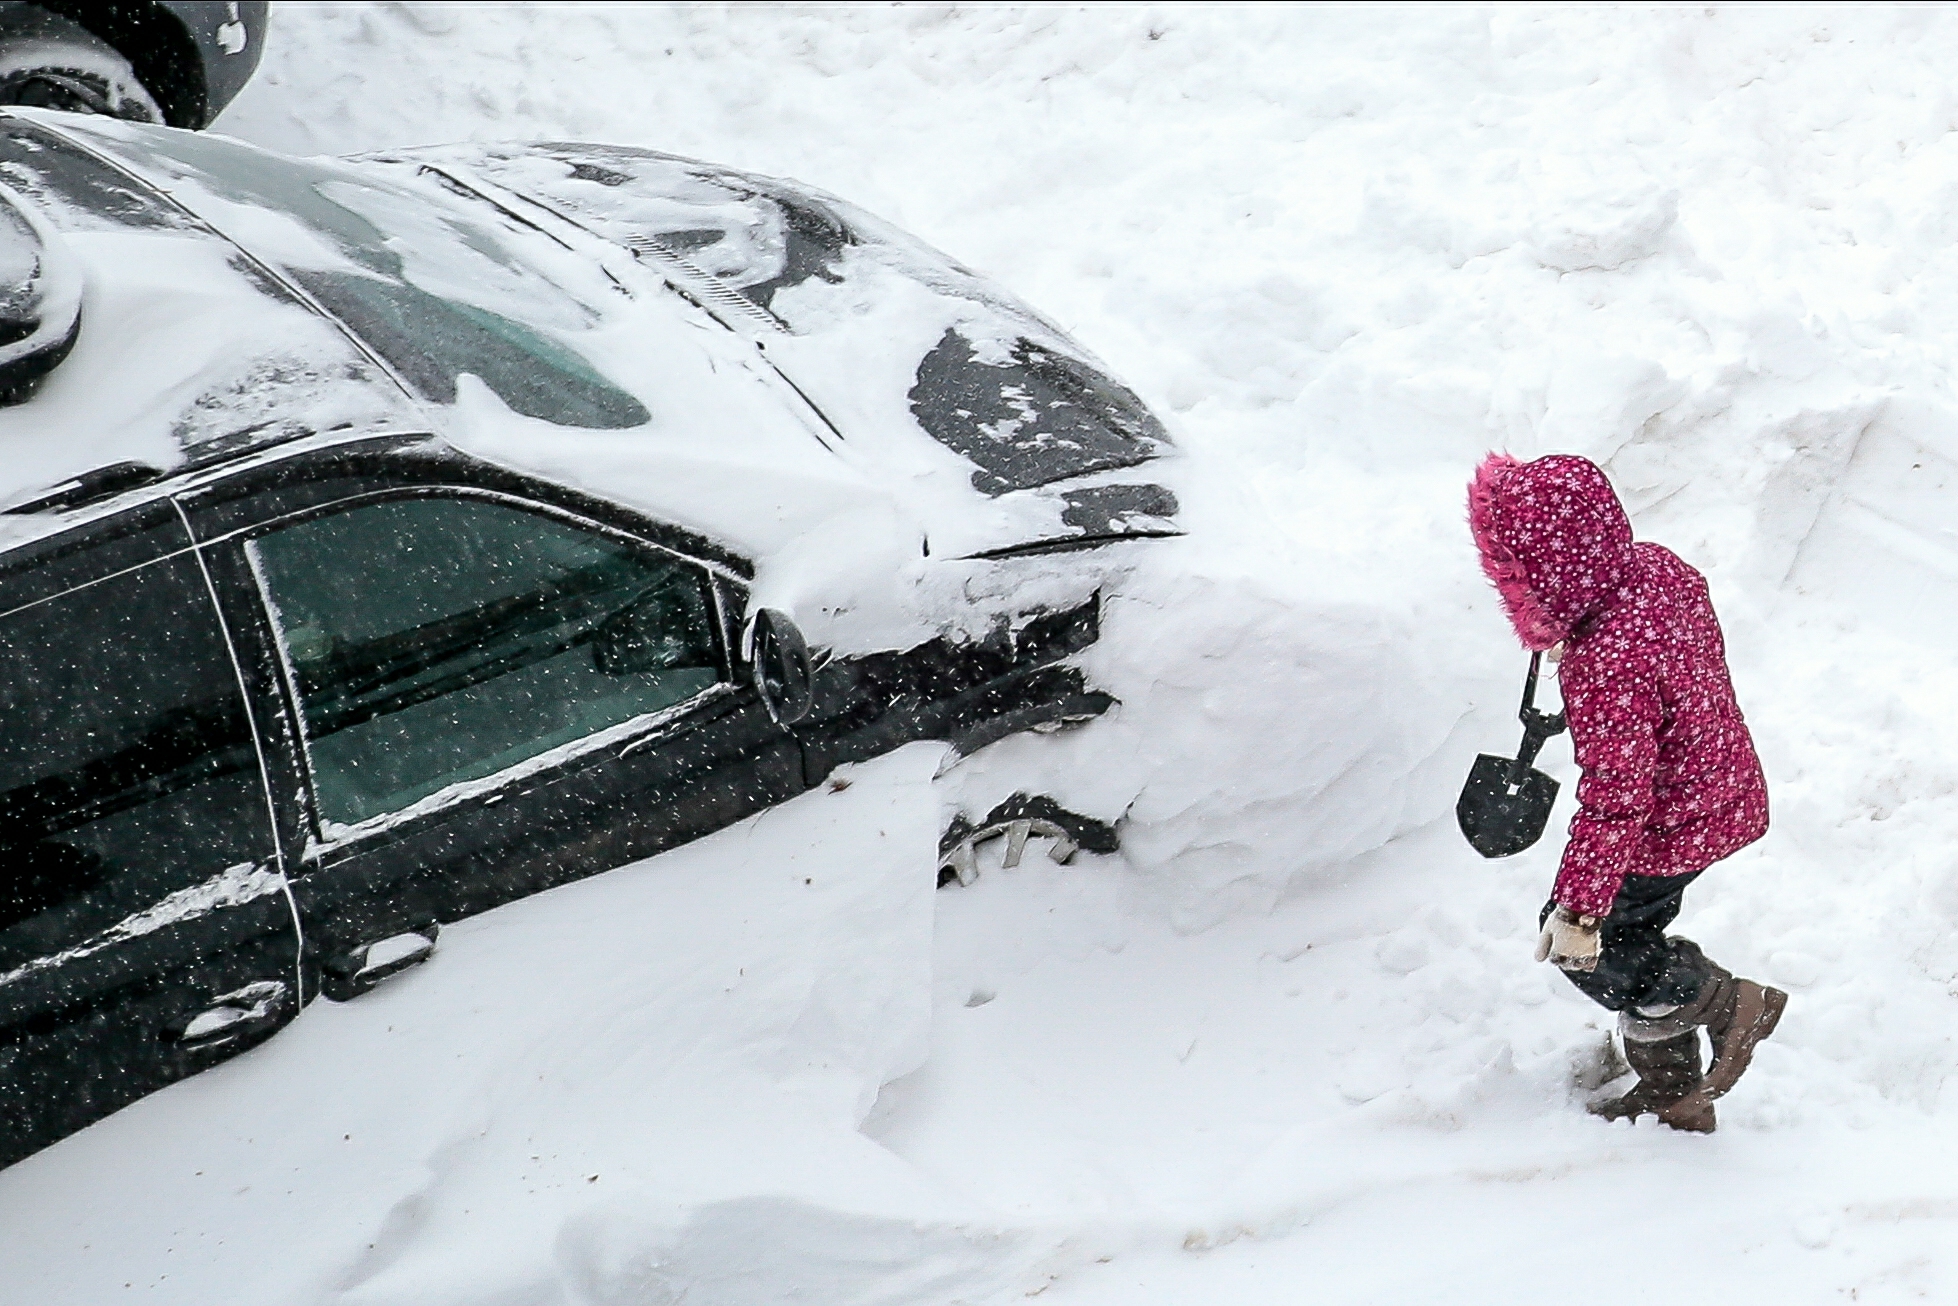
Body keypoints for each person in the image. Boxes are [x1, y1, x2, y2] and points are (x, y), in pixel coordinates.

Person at [1467, 452, 1785, 1133]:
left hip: (1670, 824)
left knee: (1598, 947)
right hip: (1721, 783)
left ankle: (1722, 1001)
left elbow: (1616, 795)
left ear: (1545, 573)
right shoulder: (1656, 569)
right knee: (1635, 934)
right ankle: (1676, 1097)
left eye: (1515, 574)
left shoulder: (1605, 663)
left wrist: (1579, 911)